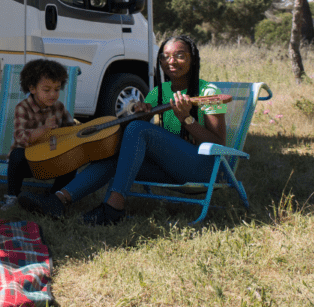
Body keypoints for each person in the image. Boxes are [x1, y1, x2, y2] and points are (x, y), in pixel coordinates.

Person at [18, 34, 227, 225]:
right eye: (165, 57)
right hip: (169, 169)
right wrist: (142, 112)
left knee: (138, 129)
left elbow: (219, 144)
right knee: (117, 149)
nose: (171, 62)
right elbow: (135, 133)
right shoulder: (159, 92)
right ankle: (58, 200)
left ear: (193, 59)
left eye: (179, 56)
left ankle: (113, 208)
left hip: (202, 169)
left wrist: (187, 119)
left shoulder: (207, 91)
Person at [1, 59, 77, 211]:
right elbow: (20, 137)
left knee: (72, 159)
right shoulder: (22, 107)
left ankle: (55, 197)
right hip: (29, 163)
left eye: (56, 89)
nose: (53, 94)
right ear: (32, 88)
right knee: (16, 154)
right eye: (47, 90)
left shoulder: (59, 107)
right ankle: (13, 197)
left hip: (51, 160)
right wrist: (43, 129)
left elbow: (71, 129)